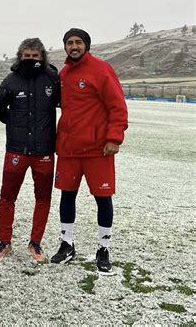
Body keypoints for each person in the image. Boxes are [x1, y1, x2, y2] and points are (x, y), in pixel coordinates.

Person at [51, 28, 128, 274]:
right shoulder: (62, 74)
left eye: (78, 42)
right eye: (70, 43)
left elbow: (117, 106)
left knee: (102, 198)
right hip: (69, 149)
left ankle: (103, 248)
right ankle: (67, 244)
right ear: (65, 47)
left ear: (87, 45)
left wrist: (114, 138)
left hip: (97, 150)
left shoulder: (101, 69)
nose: (74, 46)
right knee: (67, 196)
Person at [0, 38, 60, 261]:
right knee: (7, 197)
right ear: (20, 56)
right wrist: (10, 118)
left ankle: (35, 244)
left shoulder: (52, 79)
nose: (31, 60)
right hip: (16, 150)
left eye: (35, 57)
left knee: (43, 198)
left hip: (44, 152)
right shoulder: (12, 79)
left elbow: (71, 103)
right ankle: (4, 242)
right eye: (27, 56)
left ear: (42, 57)